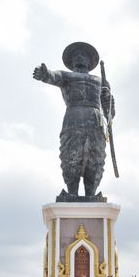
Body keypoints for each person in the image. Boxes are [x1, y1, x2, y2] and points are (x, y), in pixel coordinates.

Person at [32, 41, 115, 200]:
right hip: (74, 118)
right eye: (76, 54)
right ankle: (72, 193)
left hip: (95, 121)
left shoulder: (101, 82)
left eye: (83, 54)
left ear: (90, 61)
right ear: (71, 61)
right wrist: (44, 74)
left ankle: (91, 194)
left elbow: (110, 112)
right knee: (71, 155)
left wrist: (109, 104)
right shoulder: (67, 76)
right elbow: (53, 76)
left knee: (95, 156)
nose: (79, 57)